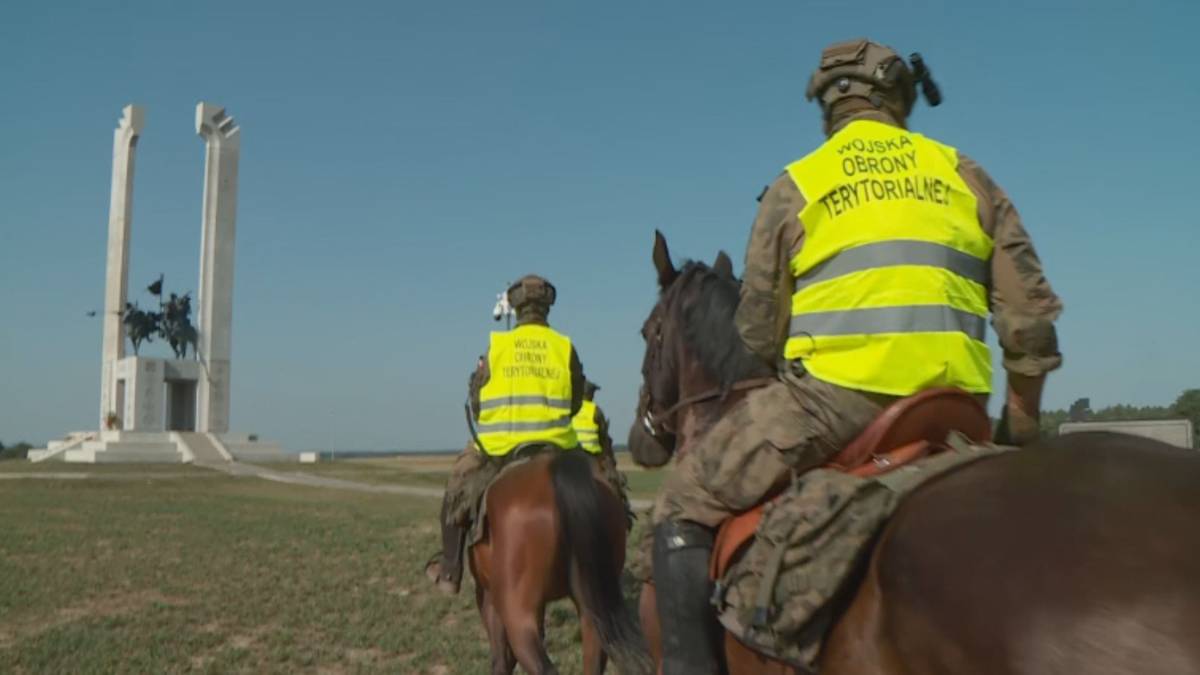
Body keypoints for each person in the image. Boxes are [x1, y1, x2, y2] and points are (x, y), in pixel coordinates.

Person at [651, 39, 1064, 674]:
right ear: (901, 99)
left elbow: (758, 335)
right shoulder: (967, 174)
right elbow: (1029, 321)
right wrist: (1024, 426)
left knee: (681, 499)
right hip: (955, 413)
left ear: (827, 106)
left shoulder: (796, 186)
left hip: (832, 408)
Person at [424, 275, 604, 594]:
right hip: (558, 448)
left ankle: (451, 569)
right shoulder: (564, 347)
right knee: (606, 487)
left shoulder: (498, 345)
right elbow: (577, 400)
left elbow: (478, 402)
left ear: (517, 308)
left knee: (457, 487)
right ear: (547, 308)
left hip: (500, 448)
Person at [572, 380, 632, 521]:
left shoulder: (571, 409)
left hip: (572, 457)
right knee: (616, 483)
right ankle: (623, 517)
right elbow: (604, 438)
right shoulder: (595, 410)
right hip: (592, 457)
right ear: (590, 394)